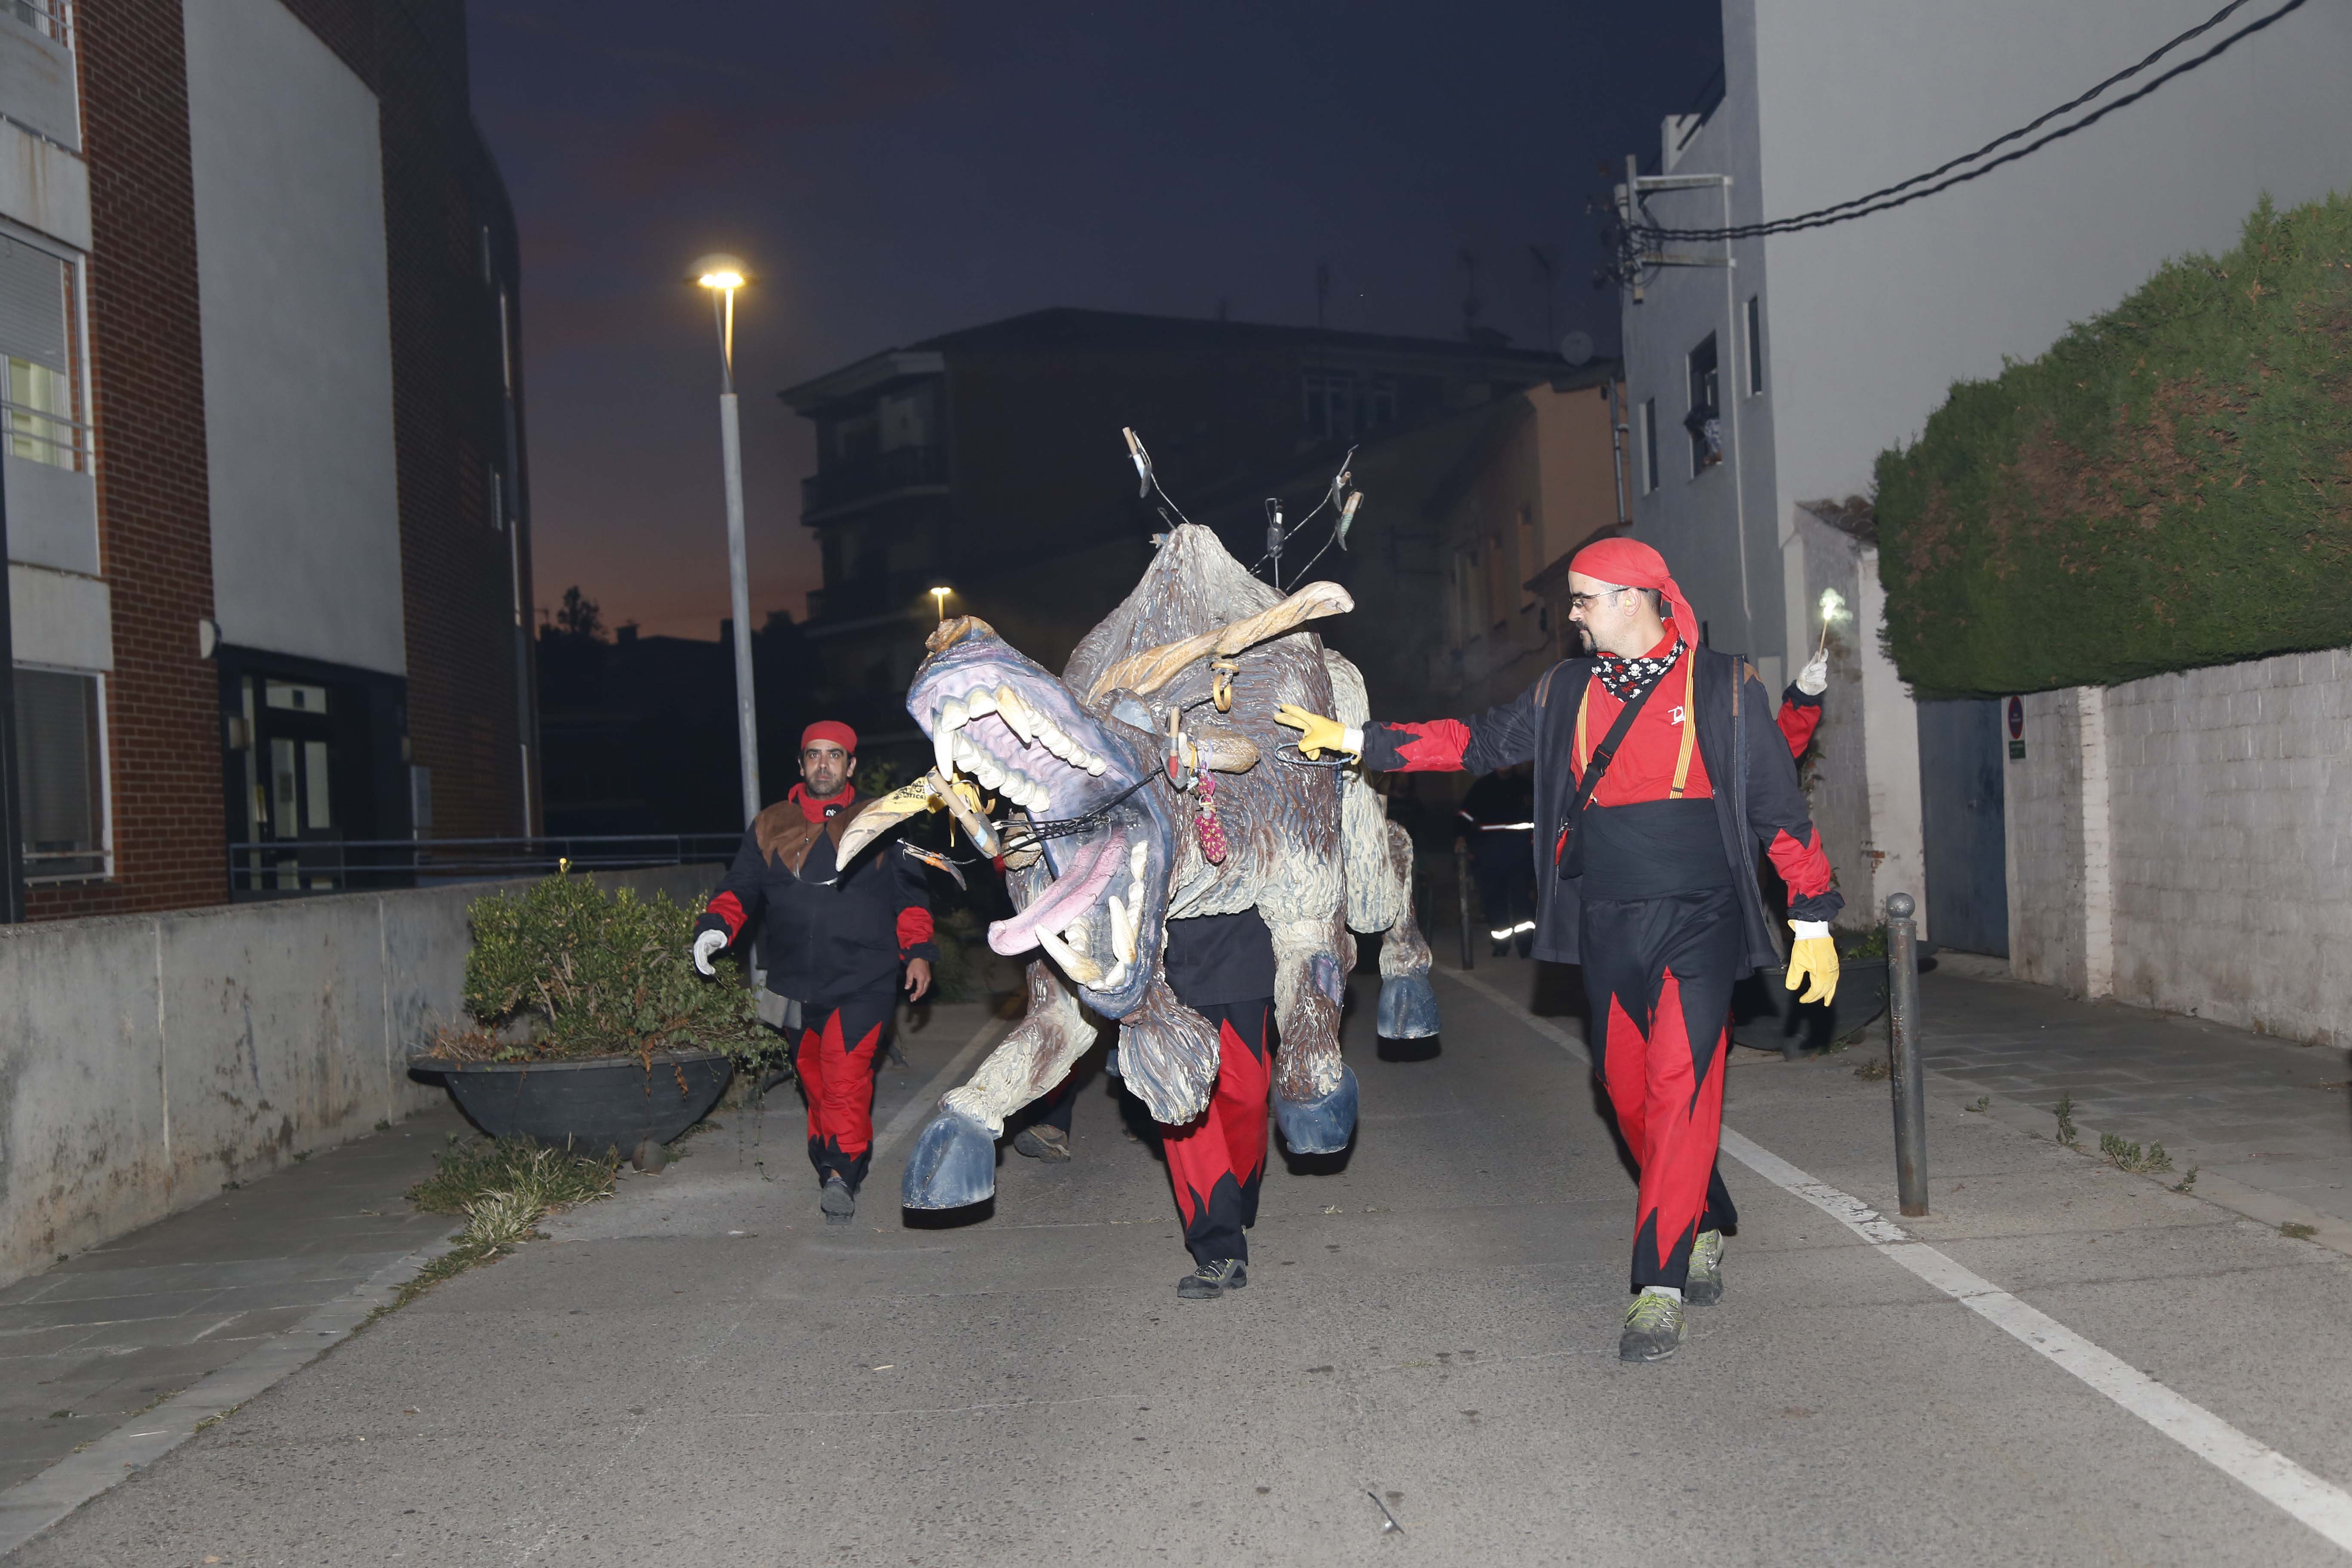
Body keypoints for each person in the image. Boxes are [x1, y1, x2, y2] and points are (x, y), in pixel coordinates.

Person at [1276, 537, 1841, 1363]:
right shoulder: (1565, 689)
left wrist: (1813, 915)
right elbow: (1474, 741)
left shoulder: (1726, 685)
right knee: (1624, 1090)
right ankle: (1702, 1213)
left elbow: (1776, 808)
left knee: (1678, 1086)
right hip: (1604, 914)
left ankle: (1658, 1285)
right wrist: (1361, 740)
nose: (1571, 613)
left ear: (1633, 597)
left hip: (1700, 915)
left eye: (1582, 598)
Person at [692, 721, 935, 1226]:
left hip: (863, 979)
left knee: (845, 1078)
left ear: (851, 765)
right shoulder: (770, 824)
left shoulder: (882, 818)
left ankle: (842, 1173)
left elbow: (909, 892)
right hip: (794, 984)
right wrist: (716, 928)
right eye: (814, 755)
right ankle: (828, 1159)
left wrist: (917, 951)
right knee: (816, 1081)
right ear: (801, 764)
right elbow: (741, 886)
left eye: (835, 755)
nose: (824, 764)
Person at [1458, 763, 1536, 956]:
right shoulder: (1483, 787)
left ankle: (1526, 945)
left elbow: (1541, 814)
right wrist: (1460, 836)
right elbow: (1465, 815)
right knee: (1494, 900)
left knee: (1522, 900)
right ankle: (1501, 945)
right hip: (1491, 854)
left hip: (1520, 853)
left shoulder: (1525, 786)